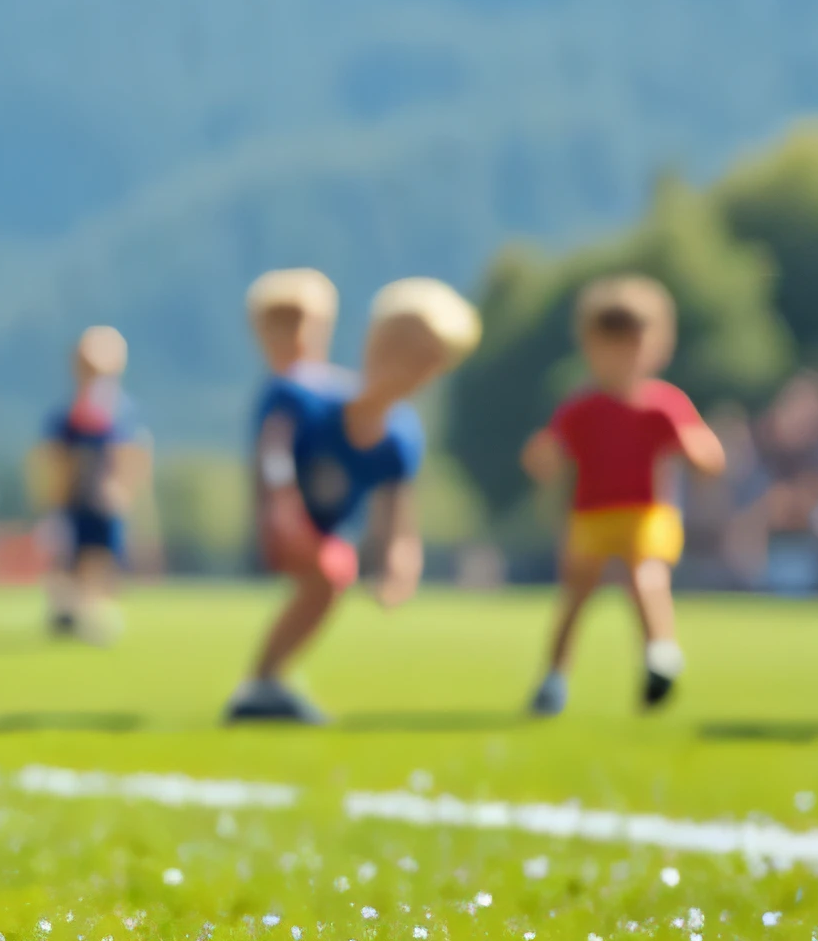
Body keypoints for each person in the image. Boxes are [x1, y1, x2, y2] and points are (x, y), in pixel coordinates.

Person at [225, 270, 478, 725]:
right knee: (329, 575)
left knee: (329, 577)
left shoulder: (400, 437)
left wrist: (400, 560)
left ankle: (265, 682)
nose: (408, 367)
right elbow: (273, 454)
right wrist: (283, 507)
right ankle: (260, 683)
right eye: (399, 348)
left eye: (426, 359)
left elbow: (396, 514)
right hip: (284, 523)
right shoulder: (304, 399)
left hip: (323, 532)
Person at [522, 275, 724, 716]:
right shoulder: (581, 409)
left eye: (632, 345)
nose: (621, 358)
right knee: (575, 596)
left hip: (646, 512)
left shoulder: (664, 405)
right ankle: (554, 678)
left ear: (656, 346)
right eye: (610, 346)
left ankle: (660, 655)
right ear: (590, 347)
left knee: (645, 576)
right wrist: (542, 458)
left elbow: (709, 455)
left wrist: (696, 451)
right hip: (591, 515)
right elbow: (547, 453)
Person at [33, 325, 149, 645]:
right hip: (75, 498)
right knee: (69, 554)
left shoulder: (122, 411)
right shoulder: (69, 415)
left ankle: (91, 608)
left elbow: (132, 454)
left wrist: (123, 489)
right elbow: (56, 459)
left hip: (105, 499)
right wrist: (54, 500)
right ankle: (68, 607)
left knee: (101, 555)